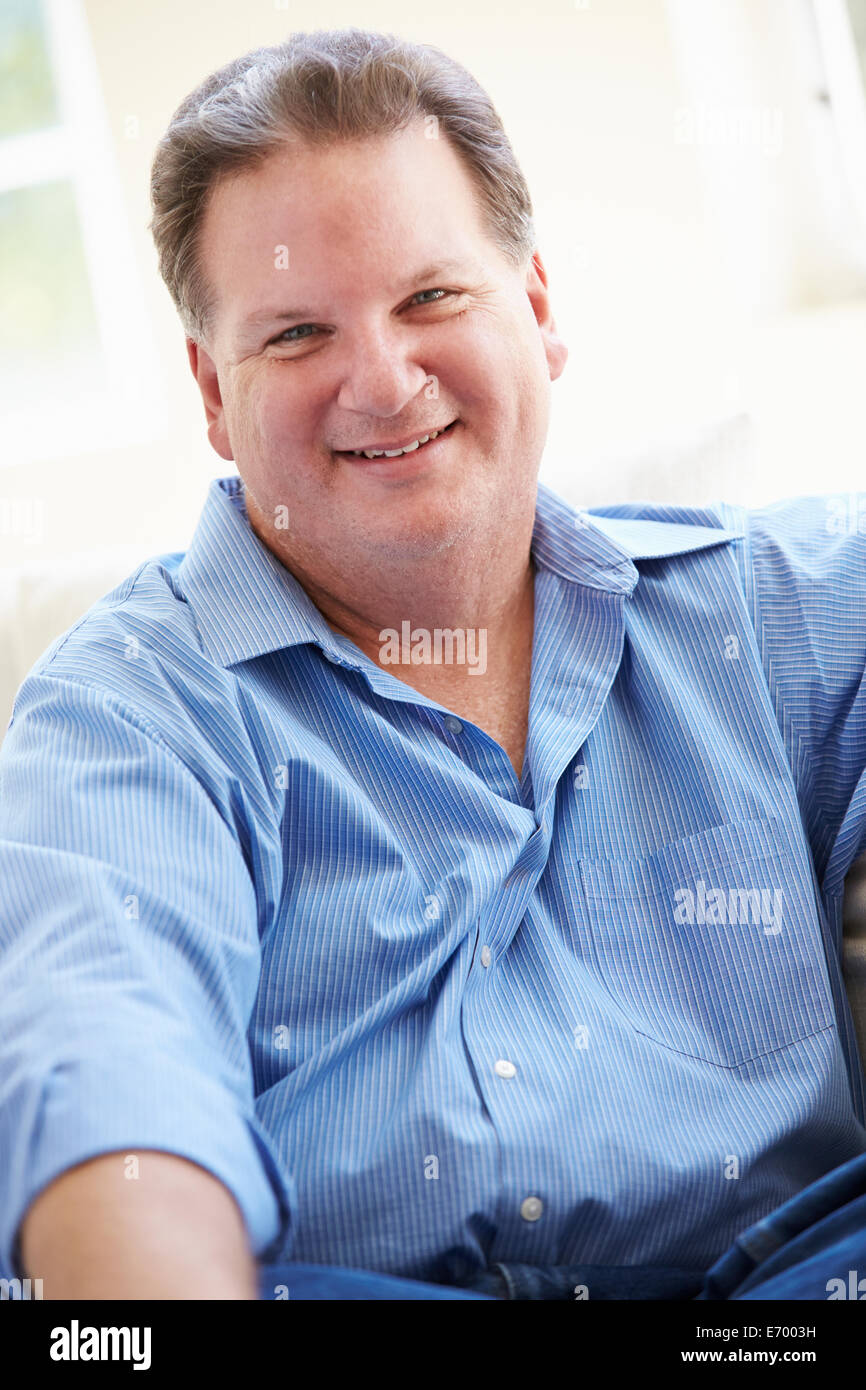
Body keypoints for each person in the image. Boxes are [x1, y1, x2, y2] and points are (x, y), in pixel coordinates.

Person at [1, 27, 865, 1302]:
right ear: (211, 393)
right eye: (296, 333)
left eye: (430, 297)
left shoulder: (776, 609)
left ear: (538, 307)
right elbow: (112, 1097)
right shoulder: (126, 718)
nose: (383, 378)